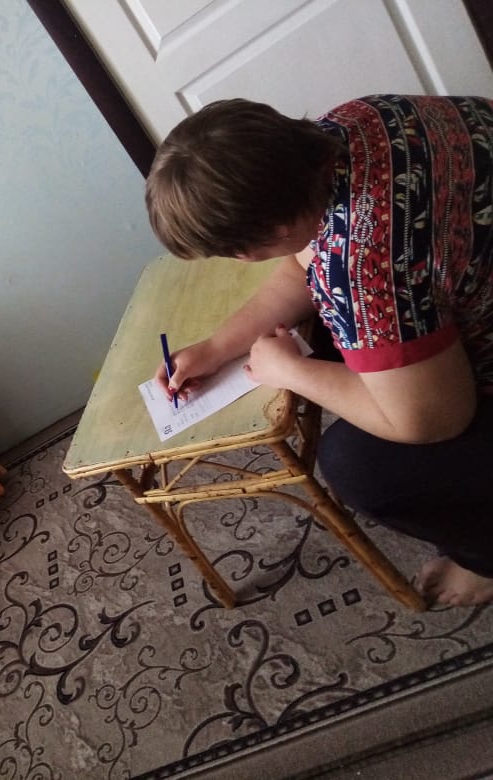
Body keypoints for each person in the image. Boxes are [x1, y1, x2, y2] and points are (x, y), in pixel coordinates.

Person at [144, 94, 493, 607]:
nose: (241, 260)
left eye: (237, 252)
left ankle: (484, 556)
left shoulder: (364, 265)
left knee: (357, 465)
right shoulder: (352, 124)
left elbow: (432, 420)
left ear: (267, 236)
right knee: (333, 332)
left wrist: (291, 371)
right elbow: (304, 264)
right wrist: (219, 346)